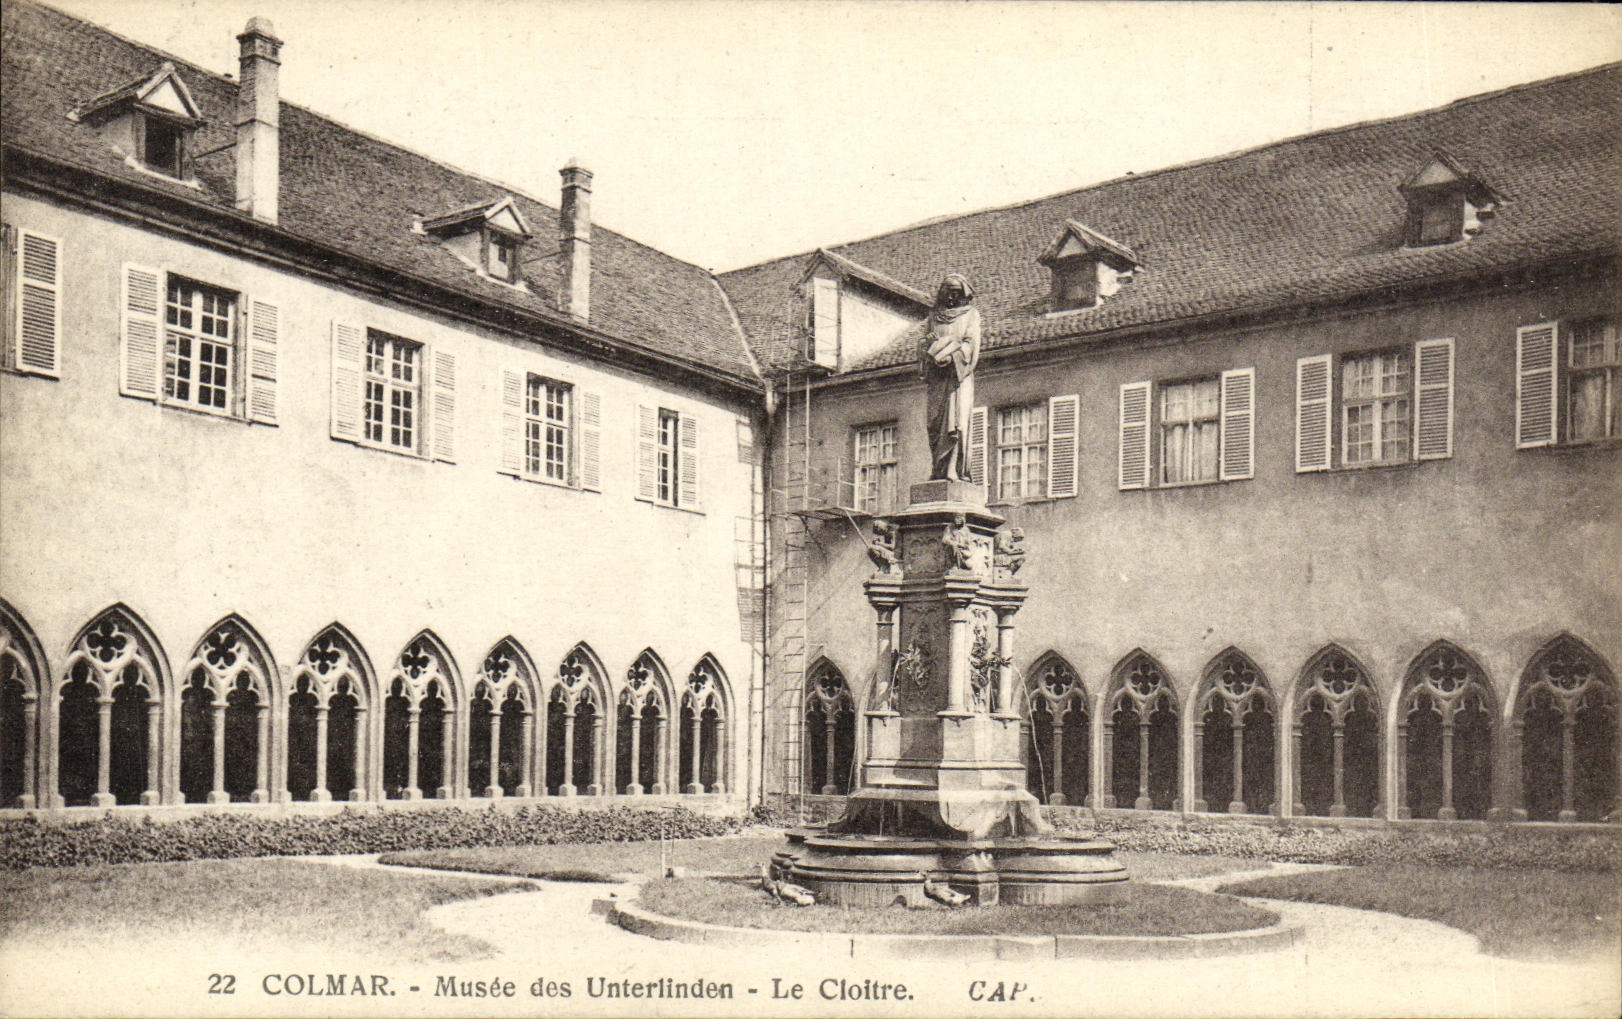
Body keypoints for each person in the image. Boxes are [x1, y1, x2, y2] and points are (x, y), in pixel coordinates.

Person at [919, 274, 982, 481]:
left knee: (956, 423)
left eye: (956, 292)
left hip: (957, 379)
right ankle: (938, 469)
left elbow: (971, 344)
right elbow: (922, 348)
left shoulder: (970, 315)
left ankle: (953, 470)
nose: (951, 297)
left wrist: (952, 357)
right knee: (934, 424)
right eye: (947, 292)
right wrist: (926, 346)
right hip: (937, 379)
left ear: (963, 294)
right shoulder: (933, 317)